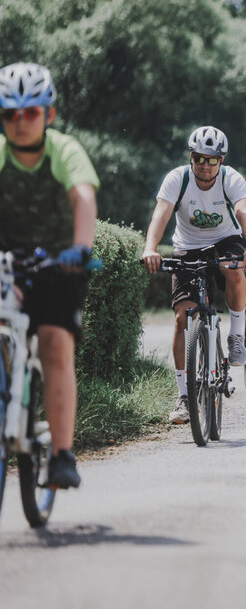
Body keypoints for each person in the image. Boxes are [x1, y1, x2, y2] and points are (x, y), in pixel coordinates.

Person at [0, 62, 99, 488]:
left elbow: (83, 198)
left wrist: (80, 249)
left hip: (59, 263)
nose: (20, 123)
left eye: (30, 112)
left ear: (49, 114)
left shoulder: (64, 150)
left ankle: (61, 455)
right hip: (8, 261)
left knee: (55, 343)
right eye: (9, 114)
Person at [140, 125, 246, 424]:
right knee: (182, 318)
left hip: (226, 240)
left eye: (211, 160)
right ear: (191, 157)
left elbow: (244, 211)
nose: (205, 166)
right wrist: (150, 248)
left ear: (221, 161)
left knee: (233, 268)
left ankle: (235, 335)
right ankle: (184, 397)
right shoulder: (177, 179)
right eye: (199, 158)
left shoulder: (231, 178)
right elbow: (162, 213)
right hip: (187, 246)